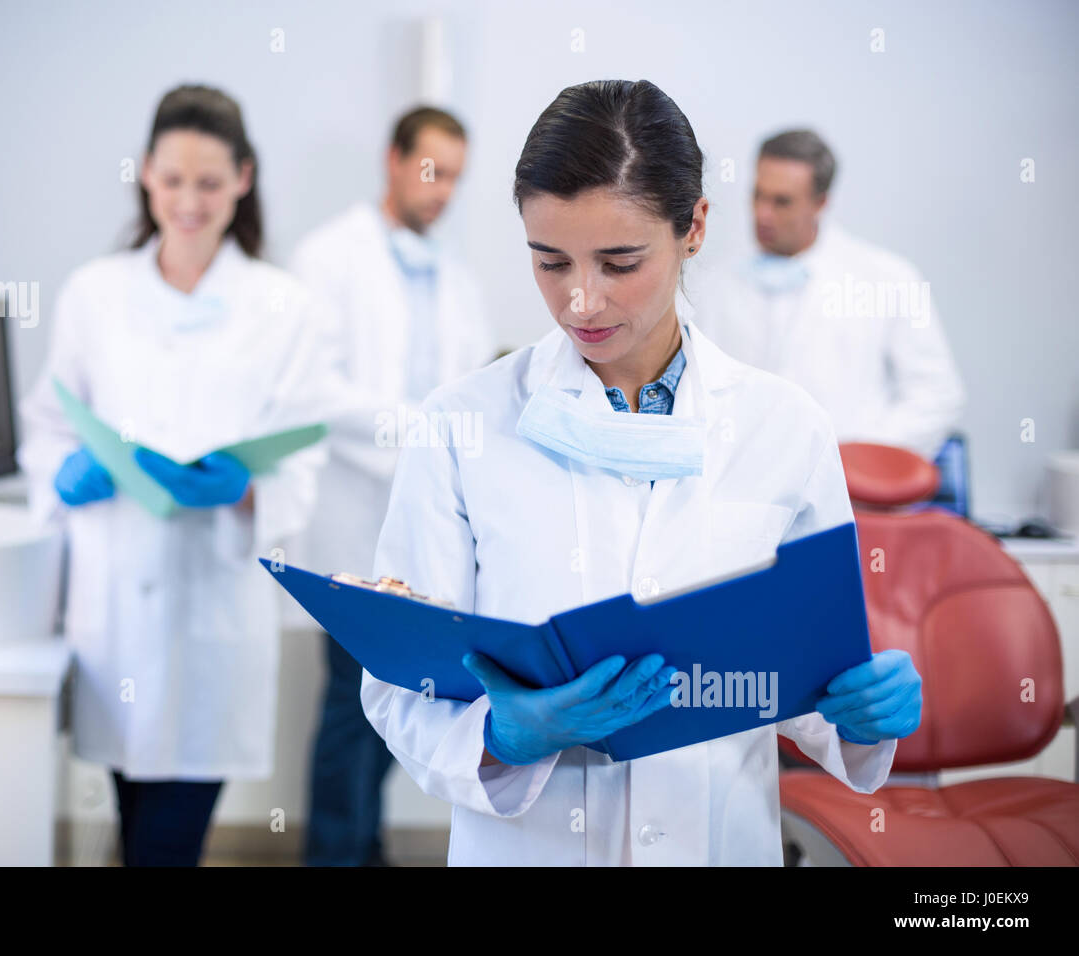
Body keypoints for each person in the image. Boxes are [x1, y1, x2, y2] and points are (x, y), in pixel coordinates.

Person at [360, 80, 923, 866]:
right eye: (550, 261)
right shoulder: (461, 425)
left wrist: (861, 710)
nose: (580, 299)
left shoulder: (783, 427)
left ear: (693, 227)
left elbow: (806, 676)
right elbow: (398, 684)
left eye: (619, 262)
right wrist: (498, 734)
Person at [17, 85, 342, 866]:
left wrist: (245, 486)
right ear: (147, 179)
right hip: (115, 606)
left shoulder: (284, 306)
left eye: (208, 182)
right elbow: (49, 418)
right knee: (137, 827)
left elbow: (303, 452)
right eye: (171, 181)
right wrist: (66, 473)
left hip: (213, 613)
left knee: (169, 840)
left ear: (243, 178)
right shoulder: (96, 292)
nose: (188, 201)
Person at [289, 106, 496, 866]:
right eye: (431, 168)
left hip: (425, 530)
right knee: (352, 703)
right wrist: (419, 434)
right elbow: (315, 390)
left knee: (400, 700)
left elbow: (470, 393)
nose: (441, 191)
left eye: (456, 178)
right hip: (354, 519)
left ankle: (362, 846)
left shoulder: (457, 279)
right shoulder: (326, 258)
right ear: (394, 159)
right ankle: (335, 855)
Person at [689, 129, 965, 460]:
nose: (762, 214)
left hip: (851, 490)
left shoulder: (890, 279)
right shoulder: (715, 282)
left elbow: (937, 395)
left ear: (820, 203)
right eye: (758, 195)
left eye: (782, 202)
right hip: (742, 480)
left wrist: (855, 460)